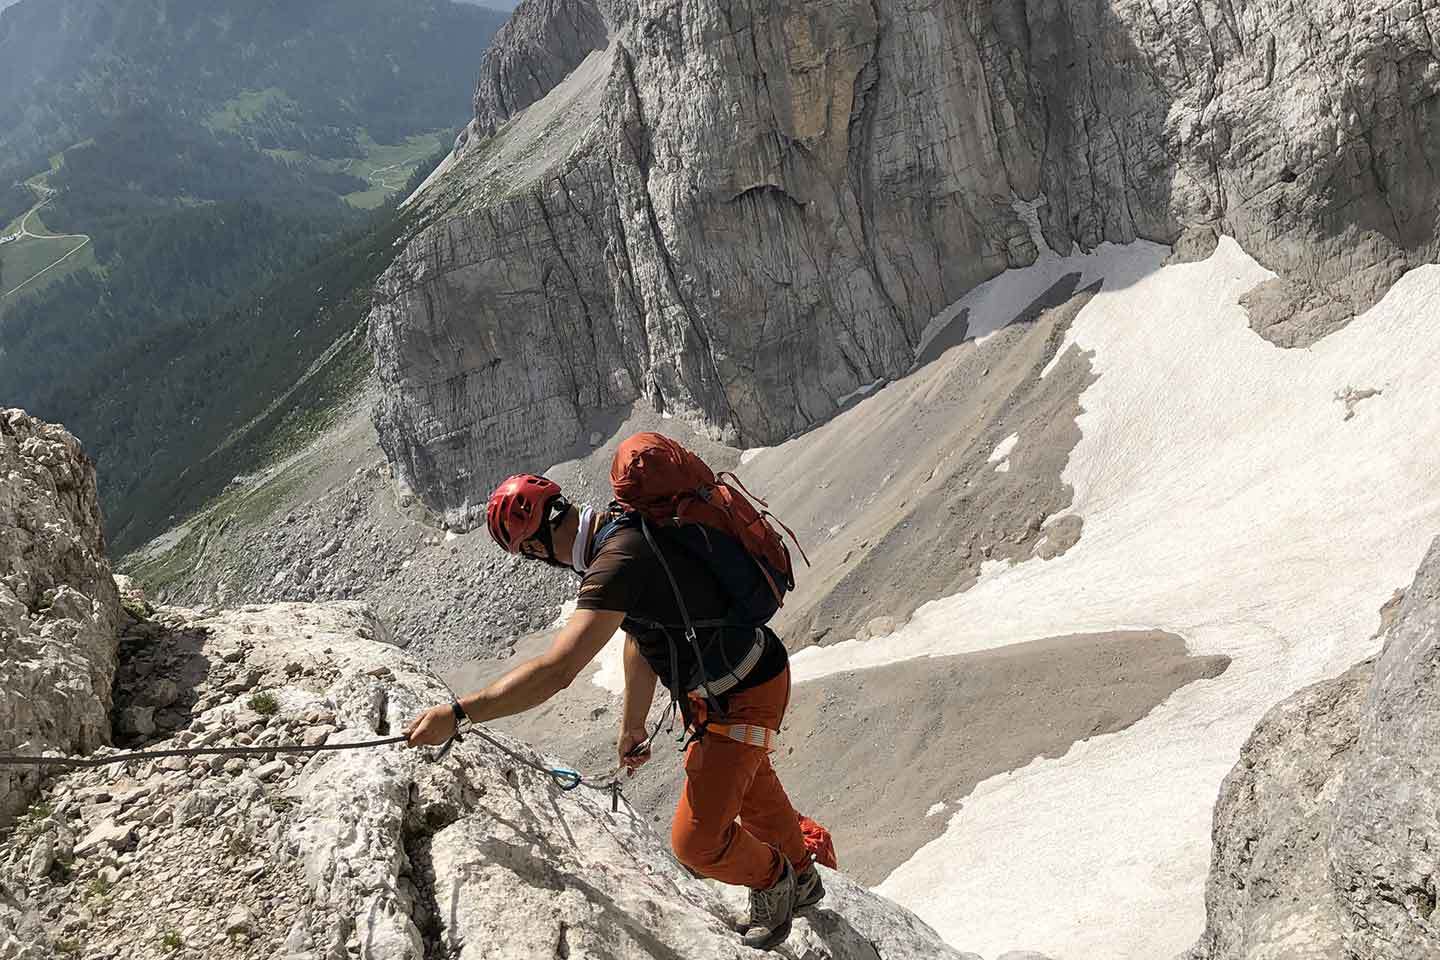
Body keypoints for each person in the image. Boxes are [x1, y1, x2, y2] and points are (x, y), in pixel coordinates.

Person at [405, 473, 824, 949]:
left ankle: (774, 881)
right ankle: (803, 876)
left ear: (535, 548)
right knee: (752, 785)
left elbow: (556, 670)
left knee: (696, 843)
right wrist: (632, 724)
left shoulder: (615, 560)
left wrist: (459, 713)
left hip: (741, 694)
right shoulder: (619, 529)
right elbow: (640, 634)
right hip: (744, 677)